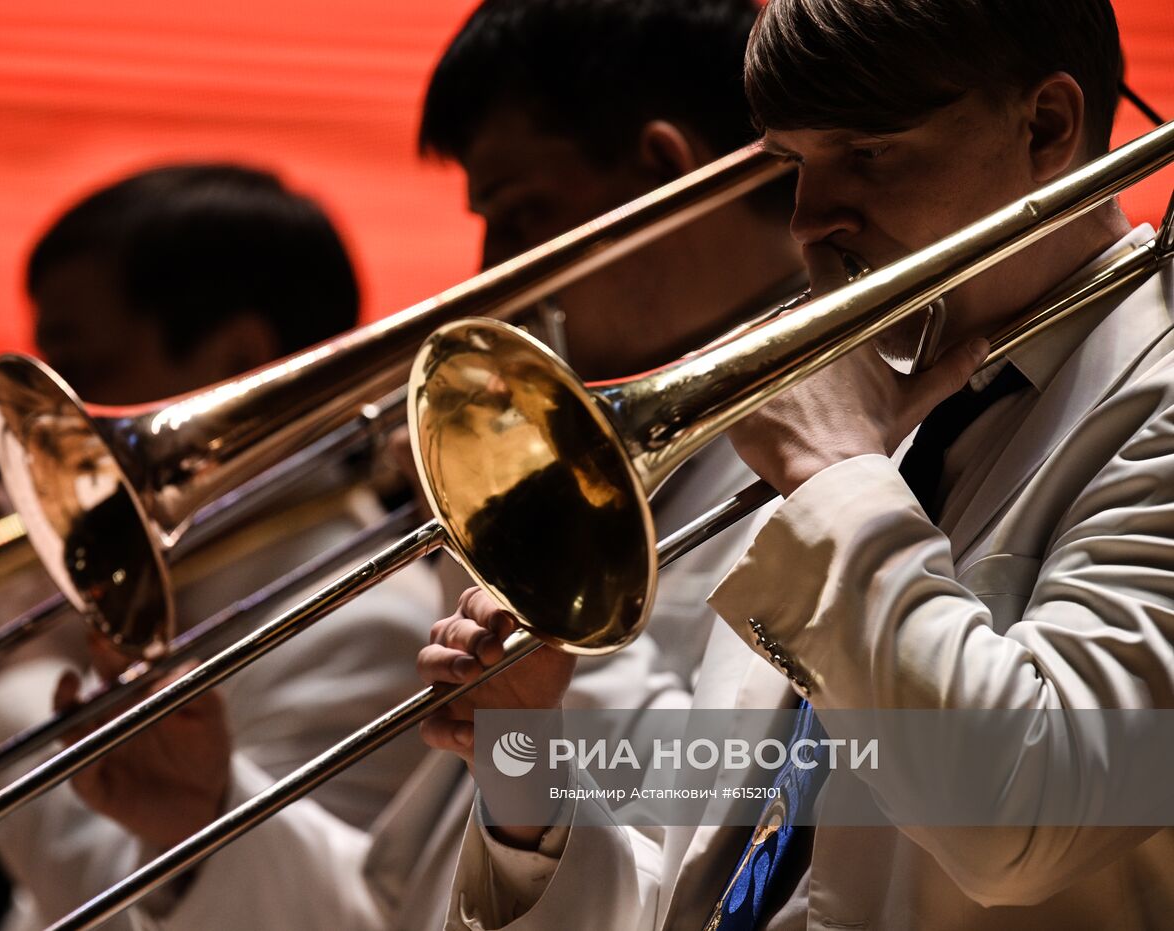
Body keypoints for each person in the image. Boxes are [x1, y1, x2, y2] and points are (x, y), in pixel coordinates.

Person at [422, 0, 1174, 928]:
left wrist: (835, 480)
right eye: (794, 164)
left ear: (1047, 126)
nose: (811, 221)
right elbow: (715, 883)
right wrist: (522, 757)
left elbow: (1026, 820)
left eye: (867, 151)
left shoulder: (1141, 392)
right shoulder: (870, 415)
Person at [113, 2, 802, 929]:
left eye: (523, 214)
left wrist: (510, 526)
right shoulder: (645, 453)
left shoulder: (836, 465)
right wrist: (202, 816)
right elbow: (403, 909)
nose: (492, 269)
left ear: (665, 175)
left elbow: (717, 828)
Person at [0, 163, 443, 931]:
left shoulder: (363, 626)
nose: (39, 454)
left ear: (237, 362)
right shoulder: (181, 595)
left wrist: (15, 679)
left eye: (85, 379)